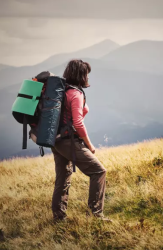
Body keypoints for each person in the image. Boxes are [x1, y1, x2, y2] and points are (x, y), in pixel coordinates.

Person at [51, 59, 111, 222]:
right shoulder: (75, 94)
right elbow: (77, 122)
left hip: (56, 141)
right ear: (80, 75)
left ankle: (59, 218)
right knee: (99, 171)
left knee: (62, 178)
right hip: (68, 141)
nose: (88, 78)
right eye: (86, 74)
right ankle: (96, 214)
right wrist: (90, 145)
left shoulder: (62, 91)